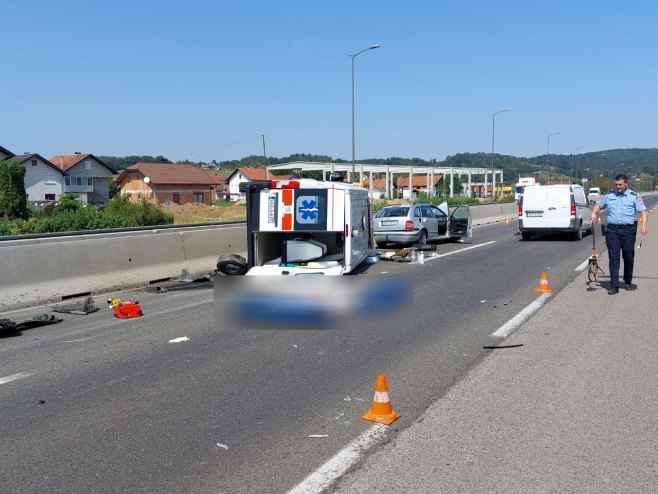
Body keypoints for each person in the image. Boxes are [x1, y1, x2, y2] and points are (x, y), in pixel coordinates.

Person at [590, 174, 648, 295]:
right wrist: (594, 213)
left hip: (628, 230)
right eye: (616, 184)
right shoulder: (610, 195)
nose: (618, 187)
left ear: (626, 183)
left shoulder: (633, 196)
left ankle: (627, 281)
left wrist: (643, 225)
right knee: (613, 257)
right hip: (612, 230)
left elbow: (643, 212)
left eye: (620, 185)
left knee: (628, 256)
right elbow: (598, 205)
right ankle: (614, 285)